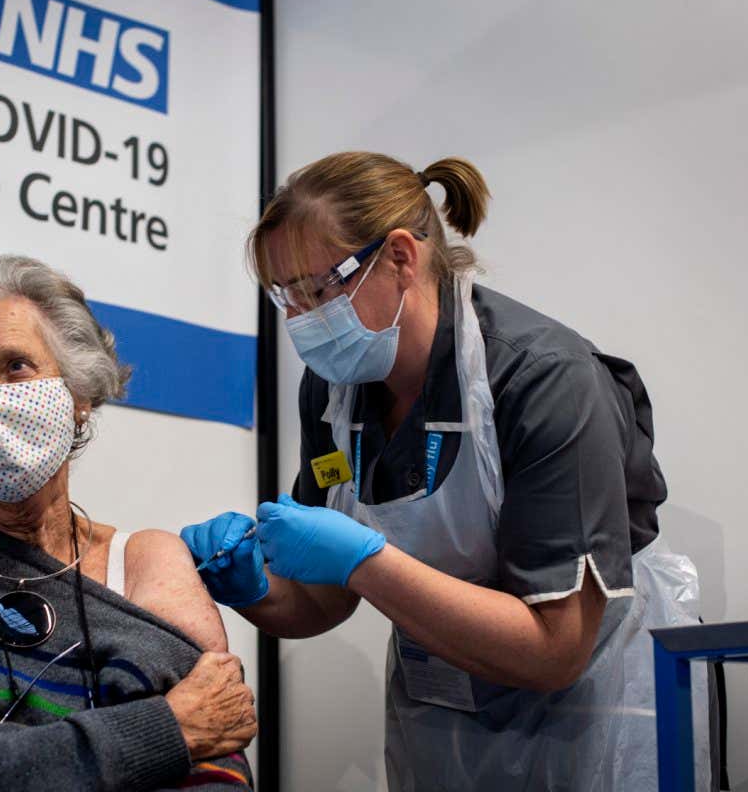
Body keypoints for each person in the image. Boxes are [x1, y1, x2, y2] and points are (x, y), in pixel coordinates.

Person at [183, 152, 712, 790]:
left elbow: (556, 649)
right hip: (445, 713)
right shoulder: (334, 391)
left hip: (593, 712)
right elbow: (329, 598)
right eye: (284, 297)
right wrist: (257, 590)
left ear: (402, 257)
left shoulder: (544, 378)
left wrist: (365, 560)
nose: (300, 320)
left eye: (319, 289)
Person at [0, 256, 256, 791]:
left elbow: (217, 753)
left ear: (78, 397)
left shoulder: (147, 566)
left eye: (16, 365)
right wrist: (168, 729)